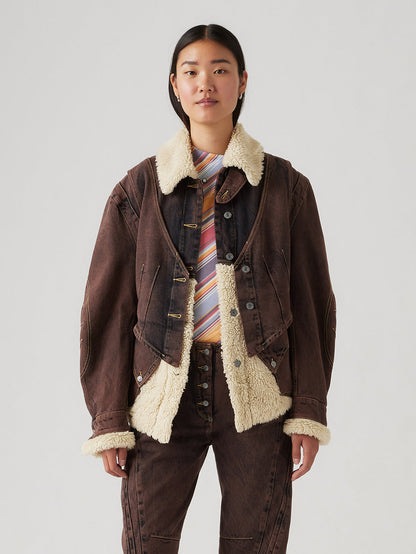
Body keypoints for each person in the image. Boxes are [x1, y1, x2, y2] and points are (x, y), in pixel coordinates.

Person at [80, 23, 336, 554]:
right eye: (191, 72)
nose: (206, 84)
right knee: (147, 543)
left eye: (220, 70)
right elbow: (108, 308)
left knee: (254, 545)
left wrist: (308, 409)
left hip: (258, 391)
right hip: (162, 395)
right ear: (175, 85)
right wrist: (109, 418)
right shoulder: (139, 189)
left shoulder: (286, 188)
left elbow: (312, 307)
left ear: (242, 82)